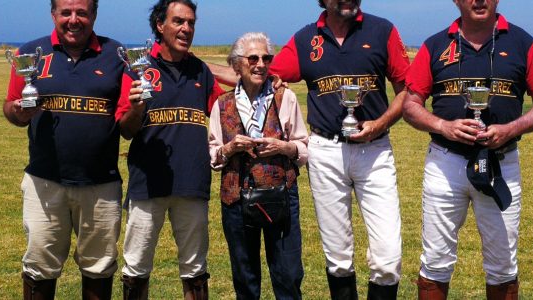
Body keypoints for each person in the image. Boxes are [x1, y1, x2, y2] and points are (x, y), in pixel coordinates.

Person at [211, 1, 409, 298]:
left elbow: (407, 88)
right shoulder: (306, 39)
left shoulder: (382, 30)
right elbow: (256, 72)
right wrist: (190, 63)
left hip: (374, 149)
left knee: (388, 257)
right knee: (338, 256)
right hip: (326, 150)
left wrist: (380, 124)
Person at [402, 0, 533, 298]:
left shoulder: (522, 42)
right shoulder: (435, 45)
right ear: (457, 1)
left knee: (502, 265)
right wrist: (443, 126)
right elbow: (410, 105)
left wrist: (511, 129)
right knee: (435, 262)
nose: (479, 0)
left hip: (501, 164)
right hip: (445, 164)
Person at [3, 0, 125, 299]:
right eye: (66, 12)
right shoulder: (31, 53)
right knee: (40, 269)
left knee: (99, 269)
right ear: (53, 14)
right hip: (45, 183)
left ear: (93, 15)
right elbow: (10, 106)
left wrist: (137, 107)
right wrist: (18, 113)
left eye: (82, 13)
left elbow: (126, 121)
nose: (74, 20)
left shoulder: (116, 55)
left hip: (101, 185)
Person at [114, 0, 225, 299]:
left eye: (191, 22)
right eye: (178, 22)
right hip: (147, 186)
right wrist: (137, 108)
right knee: (136, 269)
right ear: (160, 26)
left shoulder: (200, 71)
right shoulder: (137, 69)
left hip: (193, 183)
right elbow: (126, 129)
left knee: (195, 271)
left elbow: (224, 112)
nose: (186, 29)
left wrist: (263, 82)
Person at [208, 32, 309, 299]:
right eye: (253, 58)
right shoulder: (222, 104)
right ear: (236, 64)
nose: (261, 64)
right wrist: (230, 148)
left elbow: (304, 147)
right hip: (236, 201)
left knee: (287, 276)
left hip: (281, 197)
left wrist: (283, 147)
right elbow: (213, 155)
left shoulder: (284, 98)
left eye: (266, 58)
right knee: (245, 278)